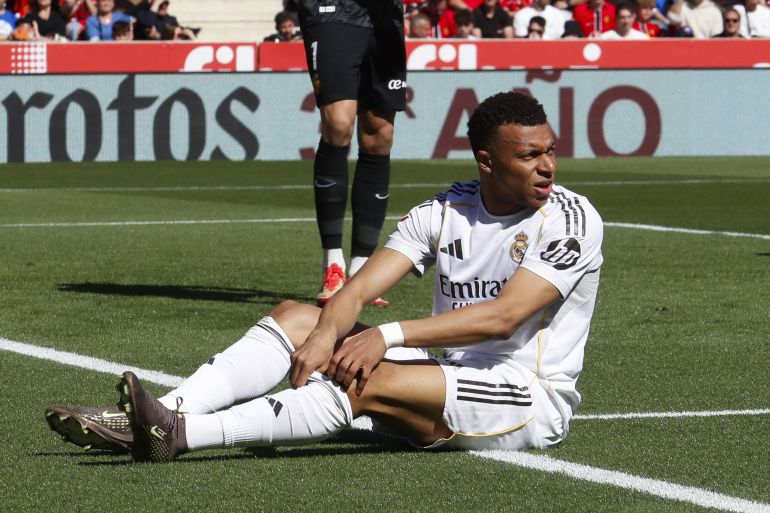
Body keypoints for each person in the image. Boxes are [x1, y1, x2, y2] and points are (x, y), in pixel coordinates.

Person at [45, 92, 604, 463]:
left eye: (551, 151)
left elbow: (504, 317)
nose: (548, 166)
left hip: (523, 397)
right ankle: (162, 413)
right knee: (297, 317)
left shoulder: (571, 219)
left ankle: (181, 434)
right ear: (486, 162)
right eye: (530, 155)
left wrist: (383, 335)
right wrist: (323, 335)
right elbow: (357, 289)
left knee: (364, 377)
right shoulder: (447, 208)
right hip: (449, 373)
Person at [297, 0, 406, 307]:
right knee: (338, 123)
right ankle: (332, 265)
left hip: (385, 17)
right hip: (332, 8)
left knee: (379, 135)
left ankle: (361, 269)